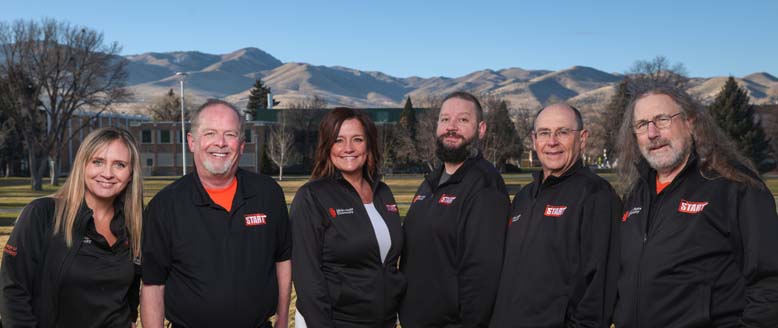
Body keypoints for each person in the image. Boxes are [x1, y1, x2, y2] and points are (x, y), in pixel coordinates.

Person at [613, 84, 778, 327]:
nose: (652, 133)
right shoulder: (635, 194)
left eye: (663, 119)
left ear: (690, 122)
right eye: (641, 125)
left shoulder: (735, 186)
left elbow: (770, 281)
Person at [140, 99, 291, 328]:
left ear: (241, 145)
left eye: (230, 134)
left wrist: (282, 319)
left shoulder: (268, 194)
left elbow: (283, 261)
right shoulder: (164, 206)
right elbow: (153, 286)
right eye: (210, 133)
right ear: (192, 142)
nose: (220, 143)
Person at [489, 104, 621, 327]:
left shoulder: (597, 197)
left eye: (562, 132)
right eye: (544, 133)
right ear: (534, 140)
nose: (552, 142)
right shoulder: (524, 198)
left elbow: (599, 293)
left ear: (583, 138)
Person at [0, 127, 143, 327]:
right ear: (82, 165)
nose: (107, 173)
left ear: (130, 174)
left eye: (119, 165)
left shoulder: (134, 225)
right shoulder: (43, 214)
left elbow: (130, 293)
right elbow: (12, 291)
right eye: (98, 162)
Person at [399, 91, 510, 327]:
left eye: (462, 120)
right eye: (445, 119)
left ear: (480, 129)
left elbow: (483, 275)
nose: (452, 127)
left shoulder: (484, 185)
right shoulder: (430, 183)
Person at [291, 107, 405, 328]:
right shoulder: (312, 197)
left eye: (357, 139)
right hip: (333, 321)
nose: (348, 148)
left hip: (381, 321)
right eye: (339, 140)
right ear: (327, 146)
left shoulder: (383, 192)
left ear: (369, 144)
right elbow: (307, 278)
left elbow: (389, 263)